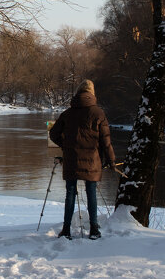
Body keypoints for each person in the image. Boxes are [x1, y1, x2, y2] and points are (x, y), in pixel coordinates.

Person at [49, 80, 116, 239]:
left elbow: (53, 134)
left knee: (70, 193)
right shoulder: (98, 113)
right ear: (92, 93)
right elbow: (106, 141)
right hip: (92, 159)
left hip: (71, 159)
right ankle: (94, 229)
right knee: (91, 192)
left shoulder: (67, 113)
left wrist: (65, 146)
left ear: (78, 93)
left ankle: (66, 230)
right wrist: (111, 160)